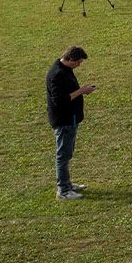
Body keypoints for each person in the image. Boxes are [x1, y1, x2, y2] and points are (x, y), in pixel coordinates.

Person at [46, 46, 95, 199]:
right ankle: (63, 191)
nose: (79, 65)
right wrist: (82, 91)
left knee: (67, 153)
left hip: (70, 118)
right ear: (70, 60)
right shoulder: (57, 74)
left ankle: (67, 184)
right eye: (78, 62)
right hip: (64, 120)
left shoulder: (64, 69)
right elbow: (60, 100)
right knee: (63, 155)